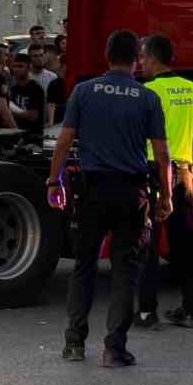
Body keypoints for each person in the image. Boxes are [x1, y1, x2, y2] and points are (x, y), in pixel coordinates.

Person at [47, 29, 172, 367]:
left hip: (91, 192)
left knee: (84, 267)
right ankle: (114, 349)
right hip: (131, 194)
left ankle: (74, 343)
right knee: (124, 271)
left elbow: (64, 141)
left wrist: (53, 181)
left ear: (107, 55)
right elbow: (162, 153)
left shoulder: (84, 91)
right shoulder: (147, 98)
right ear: (136, 60)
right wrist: (167, 196)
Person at [133, 33, 193, 330]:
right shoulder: (190, 88)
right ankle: (189, 310)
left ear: (155, 59)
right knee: (184, 246)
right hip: (183, 173)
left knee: (148, 244)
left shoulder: (148, 91)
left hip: (152, 172)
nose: (140, 62)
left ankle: (147, 312)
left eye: (143, 57)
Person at [7, 52, 47, 141]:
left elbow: (33, 116)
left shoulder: (35, 88)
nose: (16, 69)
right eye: (14, 66)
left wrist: (12, 111)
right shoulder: (13, 88)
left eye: (20, 66)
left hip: (33, 136)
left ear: (29, 67)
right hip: (17, 135)